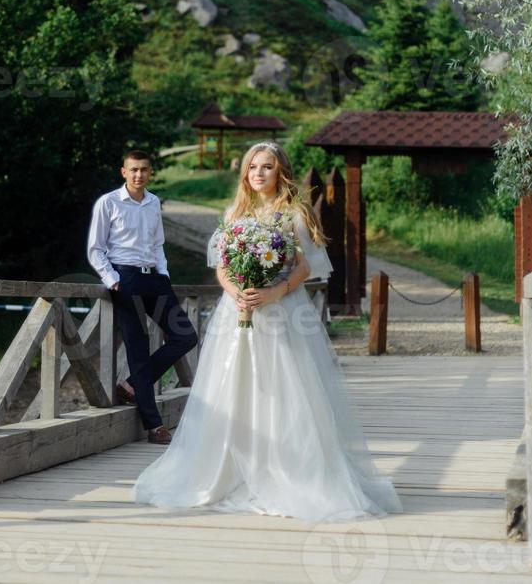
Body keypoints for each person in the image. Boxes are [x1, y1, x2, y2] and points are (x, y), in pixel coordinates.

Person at [133, 141, 402, 520]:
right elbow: (223, 266)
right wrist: (237, 292)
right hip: (238, 309)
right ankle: (227, 469)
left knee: (283, 388)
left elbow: (306, 267)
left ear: (281, 172)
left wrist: (273, 291)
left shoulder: (293, 213)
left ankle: (287, 469)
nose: (258, 173)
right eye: (253, 167)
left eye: (268, 167)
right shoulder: (235, 212)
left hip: (282, 311)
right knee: (233, 385)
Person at [87, 149, 198, 444]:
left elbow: (158, 243)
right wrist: (112, 279)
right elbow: (96, 249)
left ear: (150, 173)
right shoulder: (108, 203)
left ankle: (133, 384)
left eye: (144, 170)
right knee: (138, 348)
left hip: (155, 280)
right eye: (133, 170)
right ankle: (154, 426)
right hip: (126, 280)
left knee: (185, 336)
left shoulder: (153, 202)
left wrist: (164, 274)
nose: (139, 175)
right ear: (124, 172)